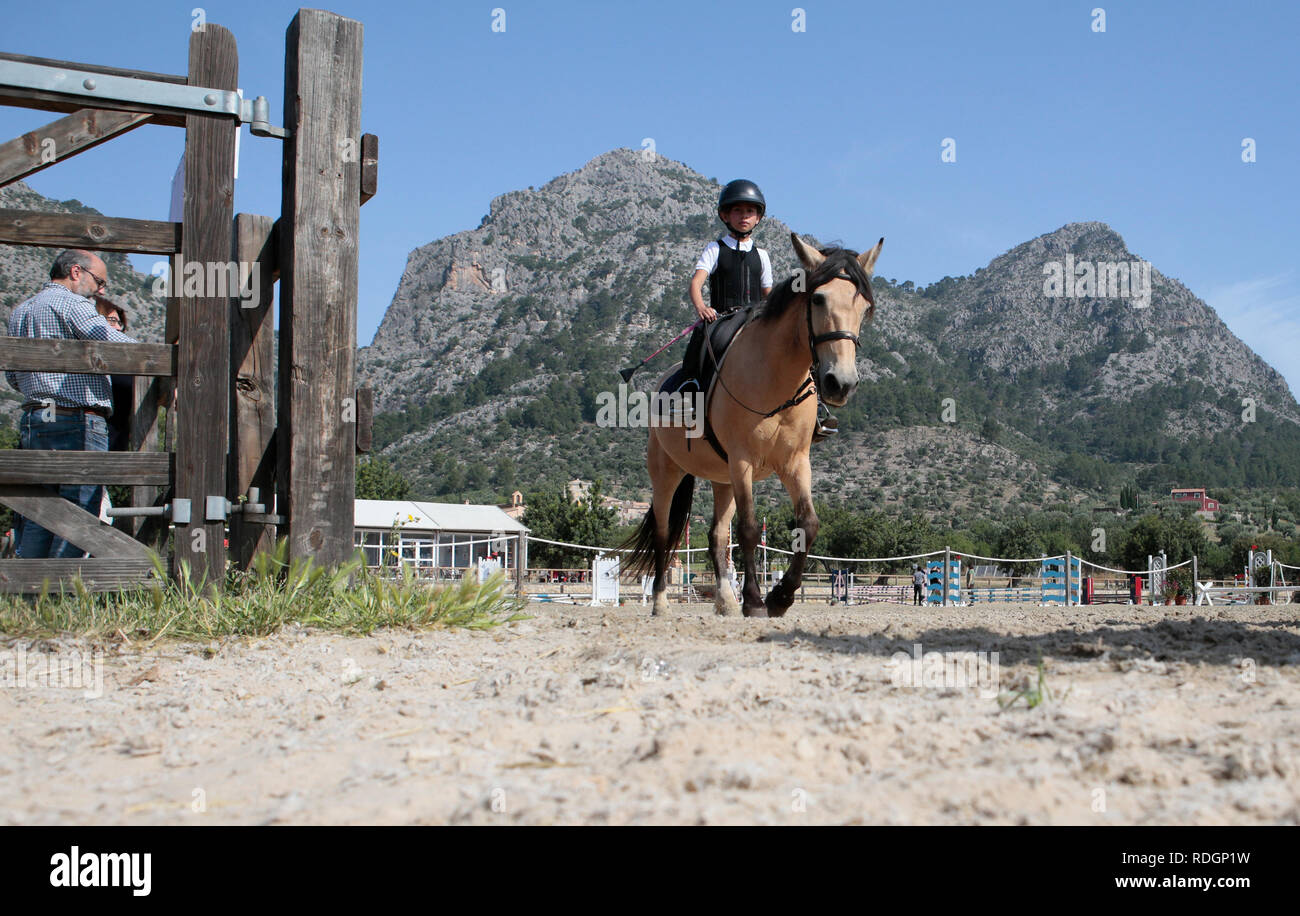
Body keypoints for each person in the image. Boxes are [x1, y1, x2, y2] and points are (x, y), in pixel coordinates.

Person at [6, 250, 135, 558]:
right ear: (76, 272)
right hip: (76, 417)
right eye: (99, 280)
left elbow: (13, 376)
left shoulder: (21, 310)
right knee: (81, 511)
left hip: (36, 417)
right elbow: (112, 342)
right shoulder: (73, 303)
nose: (101, 290)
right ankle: (63, 593)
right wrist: (171, 355)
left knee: (42, 511)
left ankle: (32, 595)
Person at [93, 295, 133, 452]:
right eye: (111, 320)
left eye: (119, 323)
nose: (117, 328)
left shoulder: (127, 365)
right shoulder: (88, 364)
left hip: (117, 444)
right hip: (92, 440)